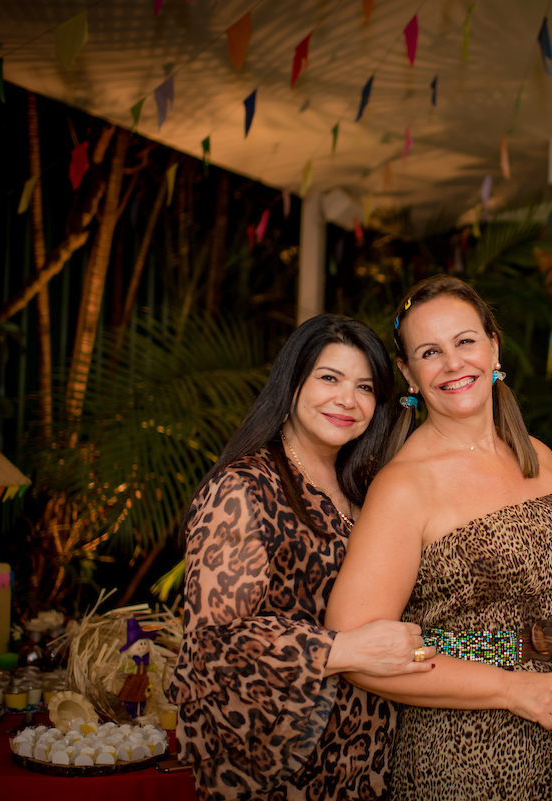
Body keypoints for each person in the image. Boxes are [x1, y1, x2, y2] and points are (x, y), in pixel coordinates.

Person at [325, 275, 552, 801]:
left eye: (465, 341)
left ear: (493, 346)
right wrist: (511, 689)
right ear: (408, 373)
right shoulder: (404, 486)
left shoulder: (535, 452)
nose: (453, 363)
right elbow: (357, 652)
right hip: (469, 751)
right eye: (429, 351)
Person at [167, 314, 438, 801]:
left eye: (365, 387)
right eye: (328, 378)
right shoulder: (245, 487)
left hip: (366, 758)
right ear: (292, 383)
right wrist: (342, 650)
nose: (347, 400)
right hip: (277, 763)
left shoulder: (367, 487)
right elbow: (211, 646)